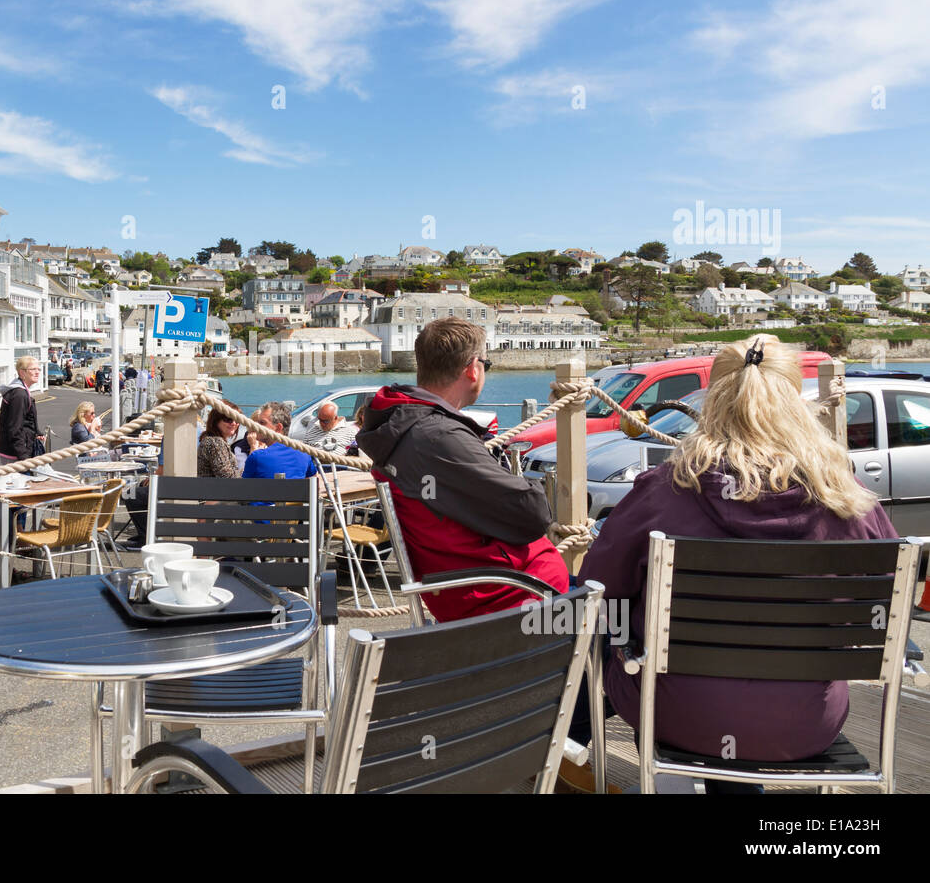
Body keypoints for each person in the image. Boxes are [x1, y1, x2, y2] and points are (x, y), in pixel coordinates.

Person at [577, 334, 897, 768]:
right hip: (804, 723)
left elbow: (600, 586)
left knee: (594, 626)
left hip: (676, 715)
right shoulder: (847, 498)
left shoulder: (666, 490)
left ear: (714, 400)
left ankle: (562, 748)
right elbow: (884, 599)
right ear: (796, 402)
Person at [355, 318, 567, 620]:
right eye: (486, 363)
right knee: (622, 619)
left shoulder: (401, 428)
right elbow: (533, 512)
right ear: (472, 368)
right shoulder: (439, 438)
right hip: (517, 603)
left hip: (482, 593)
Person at [243, 402, 317, 480]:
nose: (256, 426)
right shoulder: (303, 453)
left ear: (278, 428)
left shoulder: (257, 457)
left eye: (262, 423)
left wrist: (253, 448)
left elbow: (244, 488)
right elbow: (312, 482)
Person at [0, 356, 44, 463]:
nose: (37, 372)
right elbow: (15, 428)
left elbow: (26, 421)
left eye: (38, 369)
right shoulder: (19, 395)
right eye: (33, 369)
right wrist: (24, 458)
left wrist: (36, 432)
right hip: (15, 455)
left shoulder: (22, 391)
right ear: (22, 373)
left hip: (18, 451)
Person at [198, 400, 242, 478]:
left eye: (237, 420)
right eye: (228, 419)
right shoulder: (215, 443)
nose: (234, 423)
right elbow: (227, 478)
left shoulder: (209, 439)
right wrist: (251, 465)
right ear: (216, 420)